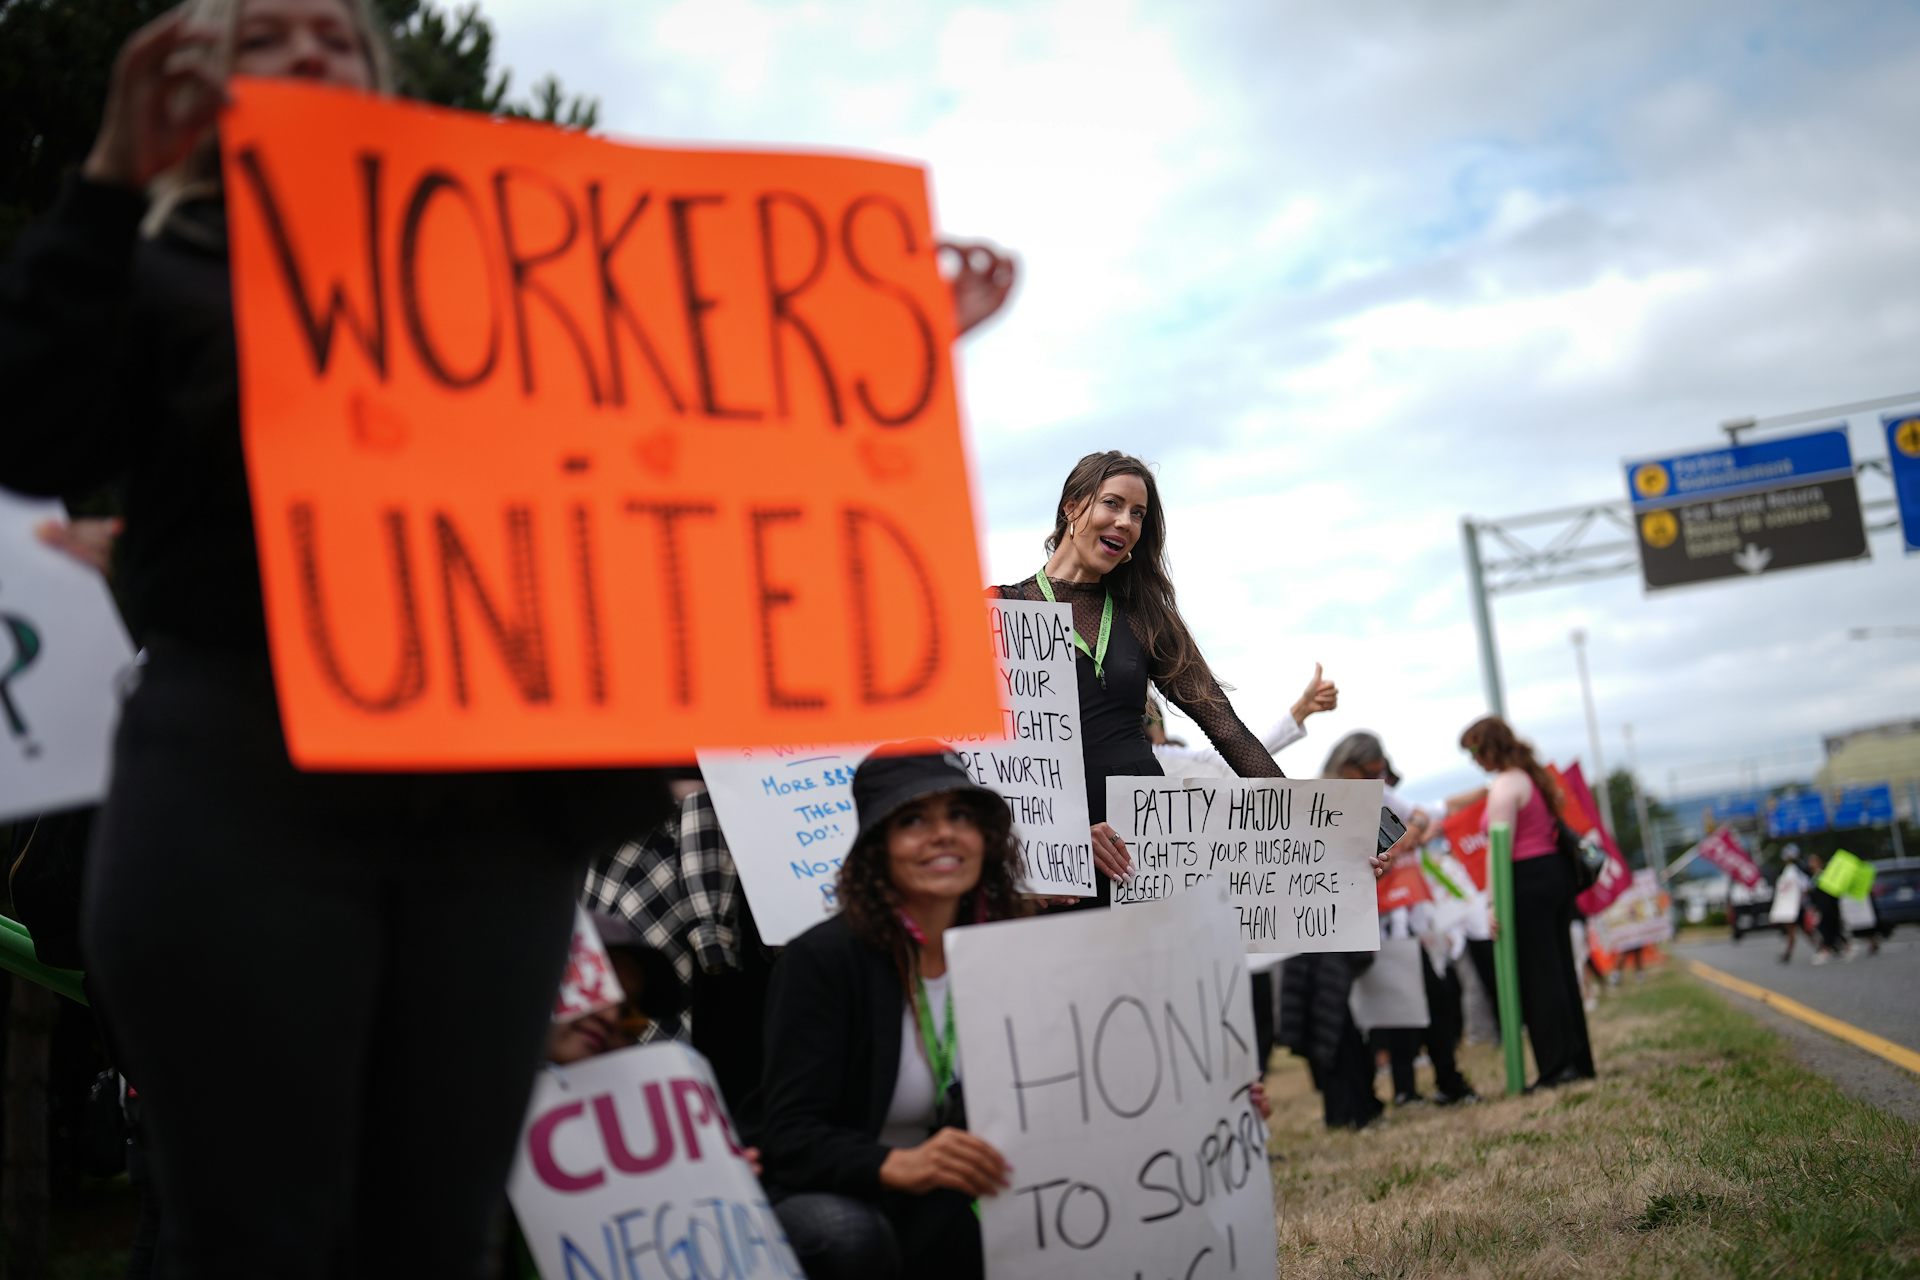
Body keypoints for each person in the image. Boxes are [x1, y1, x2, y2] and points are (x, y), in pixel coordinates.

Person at [993, 452, 1390, 906]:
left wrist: (1321, 835)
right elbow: (984, 760)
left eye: (1138, 514)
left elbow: (1226, 729)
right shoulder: (1001, 610)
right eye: (1112, 504)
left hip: (1148, 850)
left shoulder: (1144, 617)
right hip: (1055, 860)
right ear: (1072, 506)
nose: (1125, 522)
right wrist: (1054, 843)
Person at [750, 744, 1028, 1280]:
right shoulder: (825, 959)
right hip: (851, 1194)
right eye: (914, 819)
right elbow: (789, 1135)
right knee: (849, 1234)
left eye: (961, 815)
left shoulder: (1010, 948)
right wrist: (897, 1164)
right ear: (878, 847)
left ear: (985, 840)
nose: (943, 833)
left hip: (964, 1191)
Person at [1460, 715, 1595, 1090]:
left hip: (1526, 881)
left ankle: (1557, 1066)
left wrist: (1492, 903)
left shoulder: (1505, 786)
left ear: (1490, 748)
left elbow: (1499, 848)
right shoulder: (1528, 777)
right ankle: (1576, 1060)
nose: (1474, 760)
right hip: (1551, 877)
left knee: (1539, 978)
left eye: (1475, 751)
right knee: (1560, 973)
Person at [1770, 846, 1811, 964]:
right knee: (1793, 931)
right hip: (1790, 908)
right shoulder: (1788, 870)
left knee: (1805, 930)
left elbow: (1804, 887)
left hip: (1797, 907)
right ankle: (1788, 953)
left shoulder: (1797, 870)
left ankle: (1825, 947)